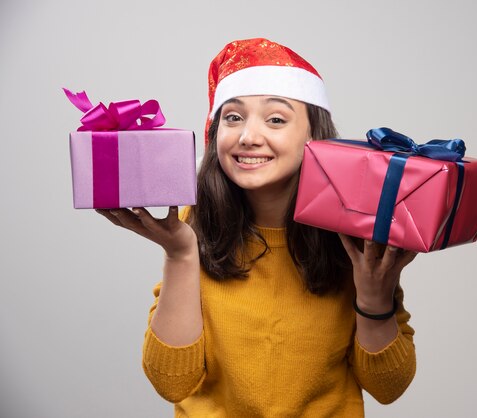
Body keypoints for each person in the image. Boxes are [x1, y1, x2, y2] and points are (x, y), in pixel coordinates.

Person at [97, 38, 417, 417]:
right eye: (233, 117)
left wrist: (374, 300)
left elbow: (388, 387)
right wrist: (181, 253)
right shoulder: (194, 223)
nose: (248, 136)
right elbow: (171, 382)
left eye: (276, 119)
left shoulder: (354, 240)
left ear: (314, 136)